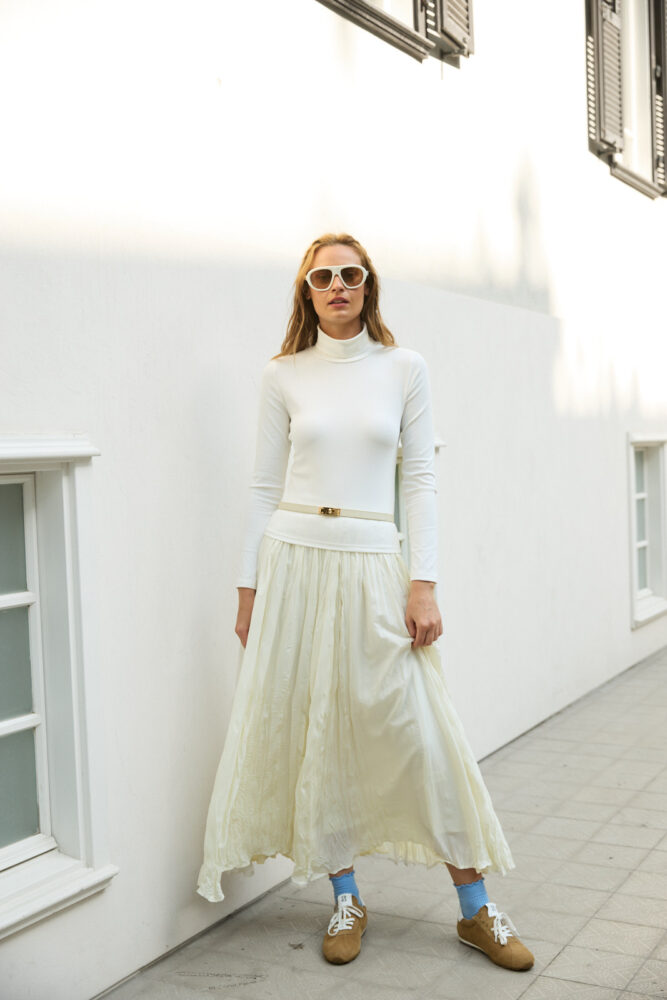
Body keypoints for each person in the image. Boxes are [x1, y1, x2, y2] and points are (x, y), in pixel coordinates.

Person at [196, 233, 534, 972]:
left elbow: (420, 481)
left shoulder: (404, 368)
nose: (337, 286)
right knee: (317, 728)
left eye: (350, 274)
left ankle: (475, 908)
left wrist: (423, 582)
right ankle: (346, 896)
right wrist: (248, 589)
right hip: (293, 558)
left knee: (421, 732)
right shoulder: (283, 374)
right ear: (306, 291)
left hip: (375, 559)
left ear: (368, 284)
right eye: (322, 277)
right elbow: (262, 486)